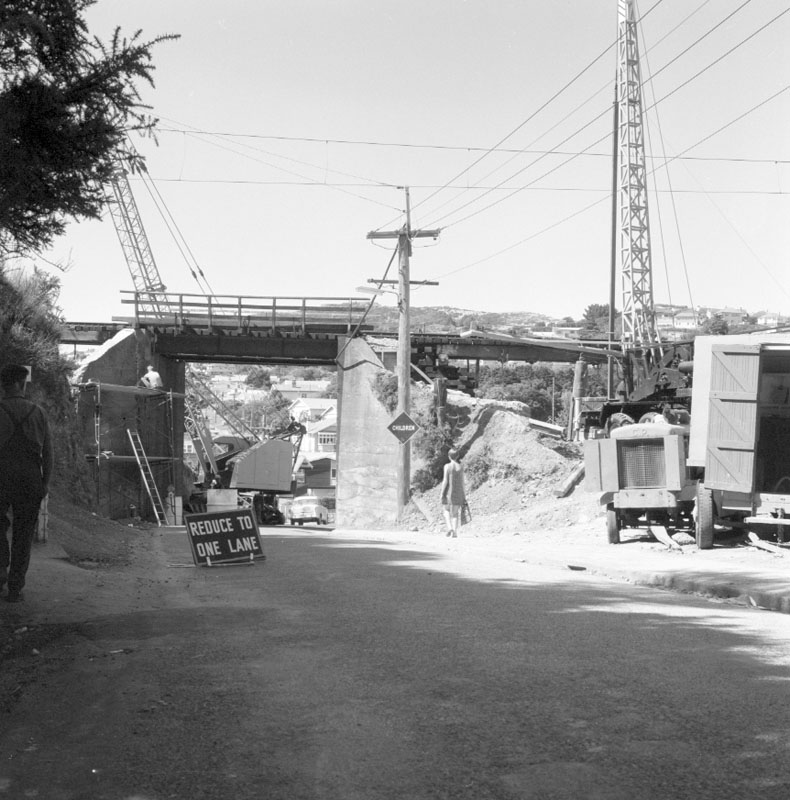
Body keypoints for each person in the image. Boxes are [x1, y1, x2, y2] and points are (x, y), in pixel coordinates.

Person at [0, 364, 54, 602]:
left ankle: (0, 573)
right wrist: (44, 483)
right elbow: (48, 454)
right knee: (23, 533)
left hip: (2, 475)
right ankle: (15, 586)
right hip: (30, 478)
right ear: (21, 384)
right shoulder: (38, 412)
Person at [440, 448, 466, 538]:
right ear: (458, 456)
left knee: (446, 510)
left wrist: (441, 493)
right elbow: (463, 482)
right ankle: (454, 532)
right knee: (455, 513)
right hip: (458, 491)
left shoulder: (447, 466)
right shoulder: (461, 467)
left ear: (449, 456)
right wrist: (464, 495)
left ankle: (449, 527)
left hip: (448, 492)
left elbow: (445, 481)